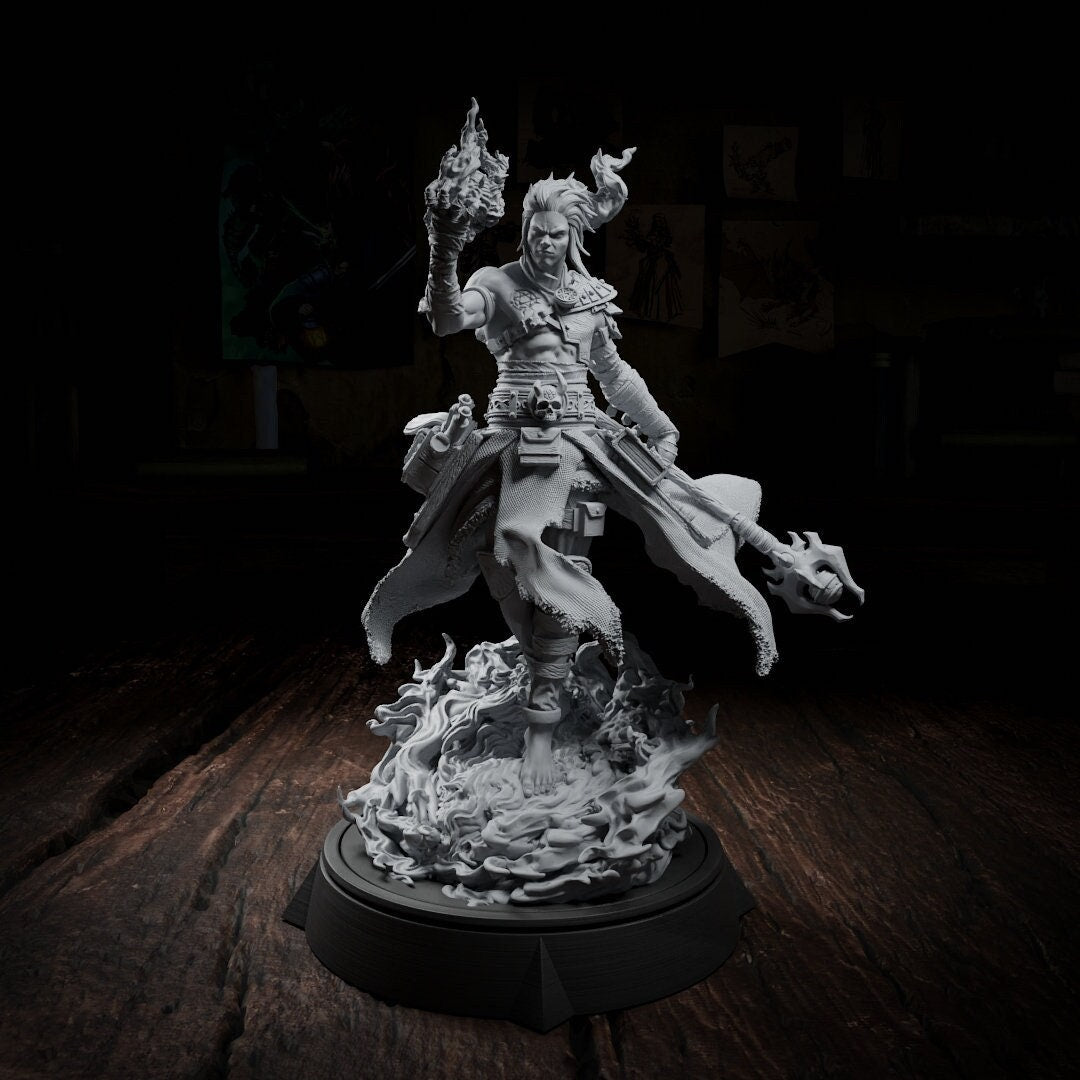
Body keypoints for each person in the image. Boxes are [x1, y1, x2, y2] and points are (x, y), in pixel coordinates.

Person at [363, 102, 777, 795]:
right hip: (509, 444)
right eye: (536, 233)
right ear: (525, 231)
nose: (545, 245)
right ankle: (532, 661)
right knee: (502, 561)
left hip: (581, 449)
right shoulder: (497, 283)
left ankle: (542, 727)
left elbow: (615, 375)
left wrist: (660, 426)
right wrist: (444, 246)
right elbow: (447, 319)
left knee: (565, 567)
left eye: (557, 235)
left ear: (575, 236)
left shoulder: (589, 296)